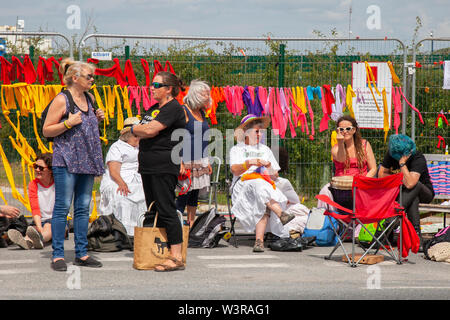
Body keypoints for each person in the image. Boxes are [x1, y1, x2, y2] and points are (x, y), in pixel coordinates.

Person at [43, 58, 105, 271]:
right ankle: (58, 255)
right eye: (89, 76)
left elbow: (88, 126)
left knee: (82, 208)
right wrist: (68, 122)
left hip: (87, 159)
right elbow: (46, 130)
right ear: (75, 78)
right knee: (62, 207)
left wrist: (98, 117)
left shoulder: (90, 97)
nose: (92, 79)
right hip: (67, 160)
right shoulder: (62, 99)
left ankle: (82, 253)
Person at [131, 71, 187, 272]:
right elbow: (142, 129)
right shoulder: (155, 109)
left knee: (166, 208)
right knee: (153, 209)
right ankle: (156, 251)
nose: (151, 88)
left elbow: (147, 130)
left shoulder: (173, 108)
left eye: (156, 85)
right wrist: (137, 129)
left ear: (169, 89)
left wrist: (134, 129)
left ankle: (176, 255)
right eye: (152, 84)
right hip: (148, 165)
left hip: (164, 164)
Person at [229, 114, 296, 253]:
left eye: (261, 131)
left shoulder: (265, 149)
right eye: (257, 131)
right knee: (259, 184)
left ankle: (259, 242)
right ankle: (280, 213)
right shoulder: (237, 149)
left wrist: (268, 167)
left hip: (262, 185)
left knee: (261, 189)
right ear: (246, 132)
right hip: (242, 185)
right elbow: (235, 170)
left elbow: (275, 174)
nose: (260, 134)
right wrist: (249, 163)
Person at [378, 134, 434, 251]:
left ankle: (388, 225)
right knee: (413, 198)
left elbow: (410, 183)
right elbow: (381, 174)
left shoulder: (418, 157)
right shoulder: (392, 153)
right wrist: (399, 177)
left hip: (425, 192)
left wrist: (402, 164)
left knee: (414, 186)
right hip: (404, 194)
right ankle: (417, 238)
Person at [98, 117, 146, 237]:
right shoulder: (117, 147)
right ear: (127, 136)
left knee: (146, 193)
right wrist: (121, 183)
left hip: (137, 178)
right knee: (122, 195)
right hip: (118, 178)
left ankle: (140, 230)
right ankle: (122, 231)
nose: (138, 138)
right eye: (136, 136)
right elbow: (113, 171)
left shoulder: (140, 146)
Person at [317, 115, 377, 210]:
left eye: (348, 128)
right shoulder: (335, 148)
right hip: (341, 188)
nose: (345, 131)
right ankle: (327, 220)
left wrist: (363, 182)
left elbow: (373, 168)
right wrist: (340, 143)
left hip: (361, 184)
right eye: (341, 129)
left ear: (354, 130)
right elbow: (341, 159)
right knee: (324, 191)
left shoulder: (364, 144)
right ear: (337, 131)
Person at [177, 80, 213, 227]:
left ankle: (190, 225)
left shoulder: (201, 112)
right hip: (185, 160)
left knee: (194, 194)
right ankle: (176, 224)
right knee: (183, 193)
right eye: (205, 94)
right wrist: (179, 162)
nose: (208, 97)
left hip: (200, 159)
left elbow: (203, 137)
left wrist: (207, 160)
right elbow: (175, 137)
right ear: (196, 95)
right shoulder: (183, 111)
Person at [7, 153, 55, 250]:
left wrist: (42, 228)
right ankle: (26, 241)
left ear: (50, 170)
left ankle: (40, 239)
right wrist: (38, 226)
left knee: (48, 226)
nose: (37, 170)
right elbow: (35, 208)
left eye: (41, 168)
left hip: (56, 220)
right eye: (35, 166)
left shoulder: (58, 183)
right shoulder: (33, 184)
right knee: (33, 230)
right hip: (39, 220)